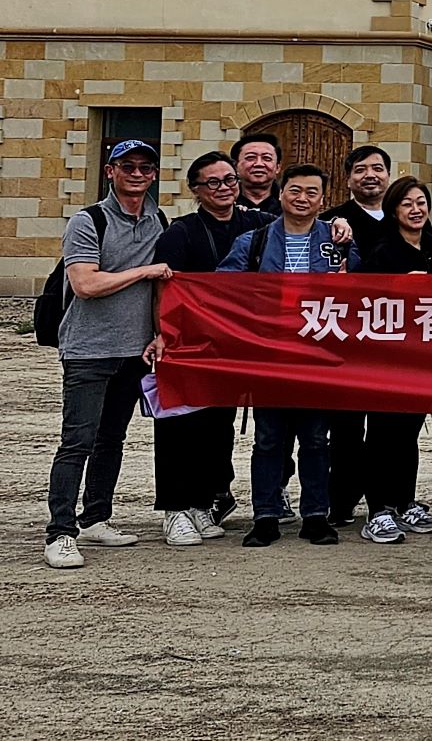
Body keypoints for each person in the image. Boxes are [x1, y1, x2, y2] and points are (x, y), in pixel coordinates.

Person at [43, 138, 170, 571]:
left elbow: (160, 290)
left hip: (133, 350)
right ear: (109, 171)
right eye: (127, 166)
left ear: (154, 174)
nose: (136, 174)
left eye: (144, 167)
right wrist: (145, 269)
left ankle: (96, 516)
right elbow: (86, 285)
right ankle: (60, 532)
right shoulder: (88, 220)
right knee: (76, 441)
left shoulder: (158, 219)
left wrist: (157, 333)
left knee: (111, 439)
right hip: (89, 349)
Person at [217, 164, 344, 550]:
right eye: (294, 190)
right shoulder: (253, 242)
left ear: (322, 200)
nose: (301, 198)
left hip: (319, 354)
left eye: (311, 192)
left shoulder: (338, 242)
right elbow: (221, 289)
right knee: (269, 440)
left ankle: (316, 515)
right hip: (268, 354)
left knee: (317, 441)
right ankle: (266, 516)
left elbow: (365, 292)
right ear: (281, 192)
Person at [152, 150, 273, 543]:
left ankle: (204, 503)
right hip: (189, 341)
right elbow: (163, 288)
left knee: (217, 428)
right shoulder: (181, 232)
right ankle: (174, 508)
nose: (224, 188)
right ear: (196, 190)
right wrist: (162, 335)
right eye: (213, 183)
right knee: (180, 424)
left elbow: (302, 228)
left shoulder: (258, 223)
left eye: (229, 181)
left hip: (236, 344)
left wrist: (337, 224)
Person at [353, 176, 432, 544]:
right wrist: (400, 285)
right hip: (387, 359)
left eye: (421, 202)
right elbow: (363, 298)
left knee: (409, 433)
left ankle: (405, 501)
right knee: (382, 433)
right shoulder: (381, 250)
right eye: (407, 203)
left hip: (424, 358)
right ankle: (378, 510)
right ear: (393, 209)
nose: (416, 209)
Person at [325, 144, 396, 526]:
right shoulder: (333, 221)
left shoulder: (404, 216)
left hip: (395, 340)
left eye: (378, 168)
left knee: (389, 428)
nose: (370, 175)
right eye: (361, 170)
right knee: (346, 429)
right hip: (347, 340)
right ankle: (341, 502)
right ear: (348, 178)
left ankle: (386, 503)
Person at [229, 133, 283, 212]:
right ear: (235, 166)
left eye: (267, 158)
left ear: (278, 167)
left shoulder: (289, 203)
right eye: (250, 157)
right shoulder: (224, 201)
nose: (259, 164)